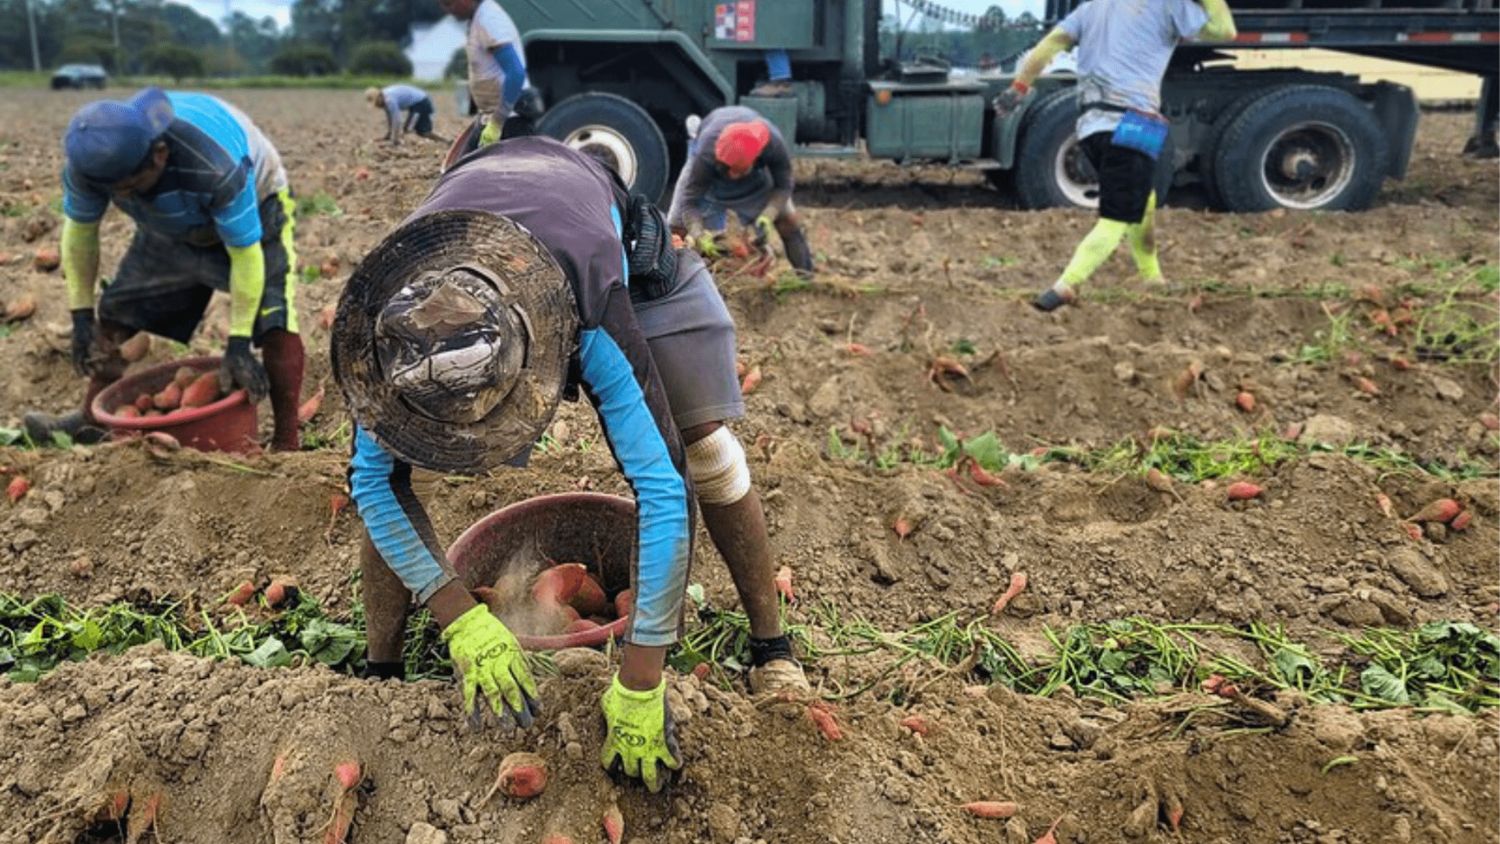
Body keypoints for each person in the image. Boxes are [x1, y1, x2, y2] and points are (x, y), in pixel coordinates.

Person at [334, 136, 808, 794]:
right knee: (388, 467)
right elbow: (371, 483)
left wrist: (642, 682)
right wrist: (459, 615)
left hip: (612, 253)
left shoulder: (590, 305)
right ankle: (381, 673)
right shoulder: (382, 328)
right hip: (474, 232)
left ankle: (771, 648)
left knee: (704, 449)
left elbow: (663, 490)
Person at [24, 87, 305, 451]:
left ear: (159, 155)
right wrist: (80, 317)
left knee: (275, 321)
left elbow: (246, 254)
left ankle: (287, 442)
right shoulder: (91, 166)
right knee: (116, 314)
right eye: (116, 194)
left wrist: (237, 343)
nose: (125, 199)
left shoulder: (213, 167)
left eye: (130, 188)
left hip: (259, 208)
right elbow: (79, 235)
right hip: (170, 226)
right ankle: (90, 422)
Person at [993, 0, 1237, 311]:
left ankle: (1152, 278)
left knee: (1142, 198)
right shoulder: (1166, 5)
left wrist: (1018, 88)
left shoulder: (1091, 8)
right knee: (1118, 216)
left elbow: (1048, 45)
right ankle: (1066, 285)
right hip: (1132, 123)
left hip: (1091, 124)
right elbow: (1225, 31)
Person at [668, 105, 814, 277]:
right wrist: (698, 233)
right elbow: (689, 201)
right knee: (676, 230)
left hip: (755, 177)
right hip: (711, 172)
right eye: (729, 169)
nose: (732, 176)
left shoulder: (773, 143)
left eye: (737, 171)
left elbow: (784, 186)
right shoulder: (706, 153)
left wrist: (769, 214)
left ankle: (806, 279)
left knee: (788, 222)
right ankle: (673, 287)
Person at [439, 0, 531, 147]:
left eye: (449, 3)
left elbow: (516, 73)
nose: (447, 10)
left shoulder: (489, 20)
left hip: (509, 121)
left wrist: (496, 124)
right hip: (490, 116)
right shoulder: (477, 18)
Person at [365, 84, 448, 145]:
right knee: (423, 132)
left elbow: (396, 120)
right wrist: (389, 134)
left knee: (409, 128)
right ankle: (446, 142)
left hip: (421, 103)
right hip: (418, 103)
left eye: (376, 102)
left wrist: (394, 139)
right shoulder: (385, 97)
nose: (378, 106)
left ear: (379, 96)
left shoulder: (389, 100)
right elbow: (390, 117)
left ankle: (400, 144)